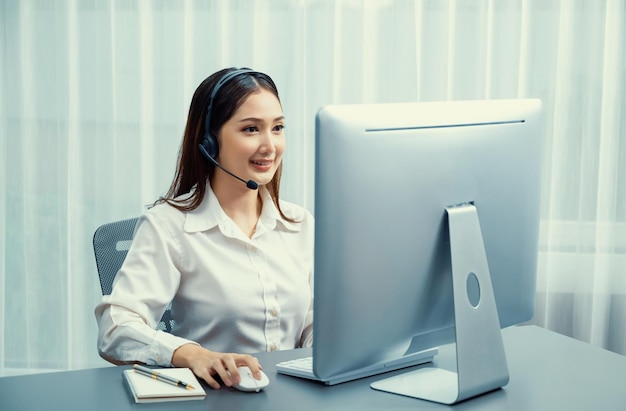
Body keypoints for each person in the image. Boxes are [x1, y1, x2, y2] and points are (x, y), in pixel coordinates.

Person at [95, 68, 314, 390]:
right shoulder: (169, 225)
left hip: (295, 394)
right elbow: (116, 329)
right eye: (251, 129)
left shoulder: (299, 222)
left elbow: (310, 318)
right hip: (215, 397)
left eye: (278, 128)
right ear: (210, 140)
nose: (270, 145)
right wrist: (192, 354)